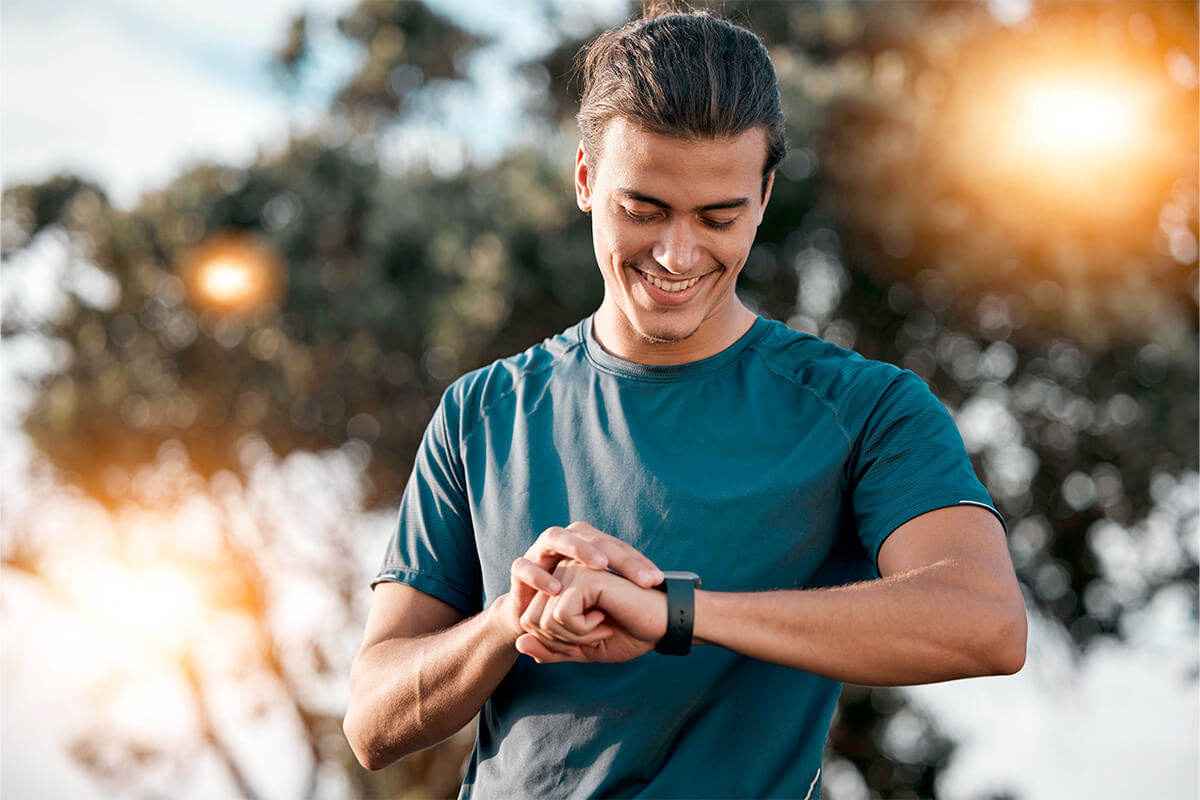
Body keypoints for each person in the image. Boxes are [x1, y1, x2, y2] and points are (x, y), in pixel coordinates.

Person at [343, 8, 1027, 798]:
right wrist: (512, 618)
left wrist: (672, 612)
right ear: (585, 180)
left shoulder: (867, 410)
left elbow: (985, 622)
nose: (676, 255)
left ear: (764, 197)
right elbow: (372, 720)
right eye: (643, 210)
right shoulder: (481, 412)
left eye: (718, 217)